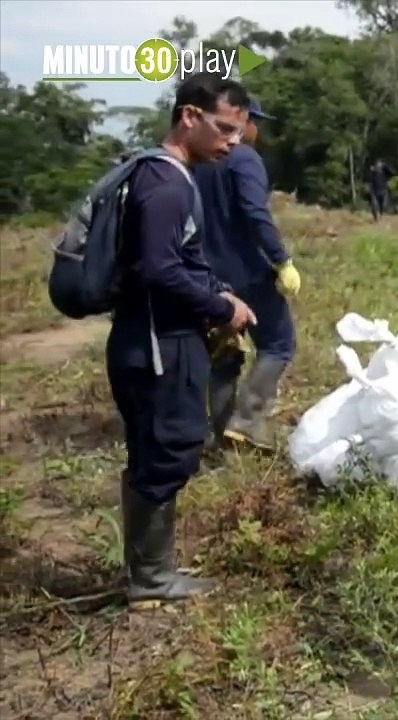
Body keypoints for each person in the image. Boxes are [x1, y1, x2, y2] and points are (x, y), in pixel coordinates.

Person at [107, 72, 256, 606]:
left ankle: (152, 568)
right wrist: (220, 306)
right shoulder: (167, 182)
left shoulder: (161, 175)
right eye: (224, 128)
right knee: (170, 448)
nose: (232, 142)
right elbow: (159, 270)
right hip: (157, 343)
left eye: (238, 132)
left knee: (157, 448)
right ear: (189, 117)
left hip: (155, 337)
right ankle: (150, 578)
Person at [194, 98, 302, 452]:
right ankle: (247, 418)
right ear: (244, 122)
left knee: (225, 354)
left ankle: (223, 436)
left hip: (207, 277)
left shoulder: (199, 159)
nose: (258, 131)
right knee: (278, 343)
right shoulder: (244, 158)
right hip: (247, 274)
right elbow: (255, 212)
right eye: (256, 122)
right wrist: (281, 260)